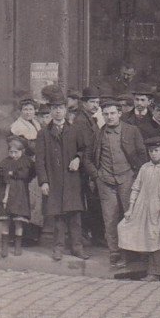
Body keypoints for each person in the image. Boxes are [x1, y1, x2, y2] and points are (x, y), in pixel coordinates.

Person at [86, 98, 148, 269]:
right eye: (106, 114)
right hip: (105, 181)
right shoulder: (98, 133)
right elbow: (88, 158)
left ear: (120, 114)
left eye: (113, 113)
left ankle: (134, 252)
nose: (109, 117)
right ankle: (114, 252)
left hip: (127, 179)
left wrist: (137, 175)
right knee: (110, 218)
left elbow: (142, 154)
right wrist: (96, 175)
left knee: (131, 216)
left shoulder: (131, 131)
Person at [117, 136, 160, 282]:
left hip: (158, 209)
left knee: (155, 237)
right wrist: (131, 208)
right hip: (141, 207)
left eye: (156, 150)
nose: (153, 153)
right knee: (125, 228)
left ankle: (154, 272)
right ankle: (131, 261)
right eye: (151, 151)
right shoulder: (145, 167)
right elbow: (136, 187)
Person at [34, 91, 89, 262]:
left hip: (72, 180)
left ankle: (77, 247)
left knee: (75, 216)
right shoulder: (43, 133)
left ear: (66, 110)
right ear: (50, 111)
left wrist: (78, 159)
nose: (58, 111)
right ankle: (58, 247)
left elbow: (85, 149)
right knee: (57, 217)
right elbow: (40, 160)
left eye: (61, 108)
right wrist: (43, 181)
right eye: (54, 108)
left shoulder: (75, 130)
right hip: (55, 180)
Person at [0, 136, 36, 258]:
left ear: (22, 151)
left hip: (20, 194)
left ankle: (18, 246)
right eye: (11, 152)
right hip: (6, 193)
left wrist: (14, 174)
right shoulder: (6, 161)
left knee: (18, 221)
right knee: (5, 220)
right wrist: (6, 176)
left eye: (16, 152)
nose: (13, 155)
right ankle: (4, 247)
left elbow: (28, 174)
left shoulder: (26, 162)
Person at [73, 86, 105, 246]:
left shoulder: (90, 119)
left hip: (90, 167)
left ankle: (92, 236)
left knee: (90, 203)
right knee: (85, 203)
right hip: (84, 170)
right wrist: (93, 173)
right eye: (92, 102)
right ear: (84, 103)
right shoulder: (81, 121)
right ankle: (85, 237)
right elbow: (85, 149)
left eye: (98, 102)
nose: (96, 106)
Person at [9, 97, 44, 235]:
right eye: (25, 109)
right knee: (23, 197)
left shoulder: (36, 123)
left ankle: (33, 232)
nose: (28, 112)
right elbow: (21, 146)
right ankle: (20, 234)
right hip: (24, 163)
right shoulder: (17, 126)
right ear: (21, 111)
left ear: (35, 111)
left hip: (35, 162)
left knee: (35, 197)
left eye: (31, 109)